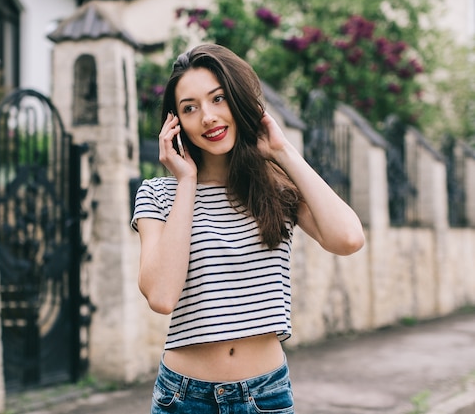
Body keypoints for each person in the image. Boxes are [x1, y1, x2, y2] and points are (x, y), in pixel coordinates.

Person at [130, 43, 365, 414]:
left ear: (239, 102)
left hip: (265, 394)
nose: (207, 117)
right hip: (184, 397)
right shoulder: (159, 195)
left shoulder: (276, 190)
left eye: (218, 99)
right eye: (190, 108)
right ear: (175, 123)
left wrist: (283, 150)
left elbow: (348, 239)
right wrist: (187, 181)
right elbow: (161, 296)